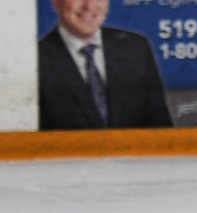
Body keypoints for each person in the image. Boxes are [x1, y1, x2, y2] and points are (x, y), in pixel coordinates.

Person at [38, 0, 173, 131]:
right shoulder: (36, 59)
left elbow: (161, 129)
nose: (88, 5)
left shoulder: (136, 48)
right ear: (56, 2)